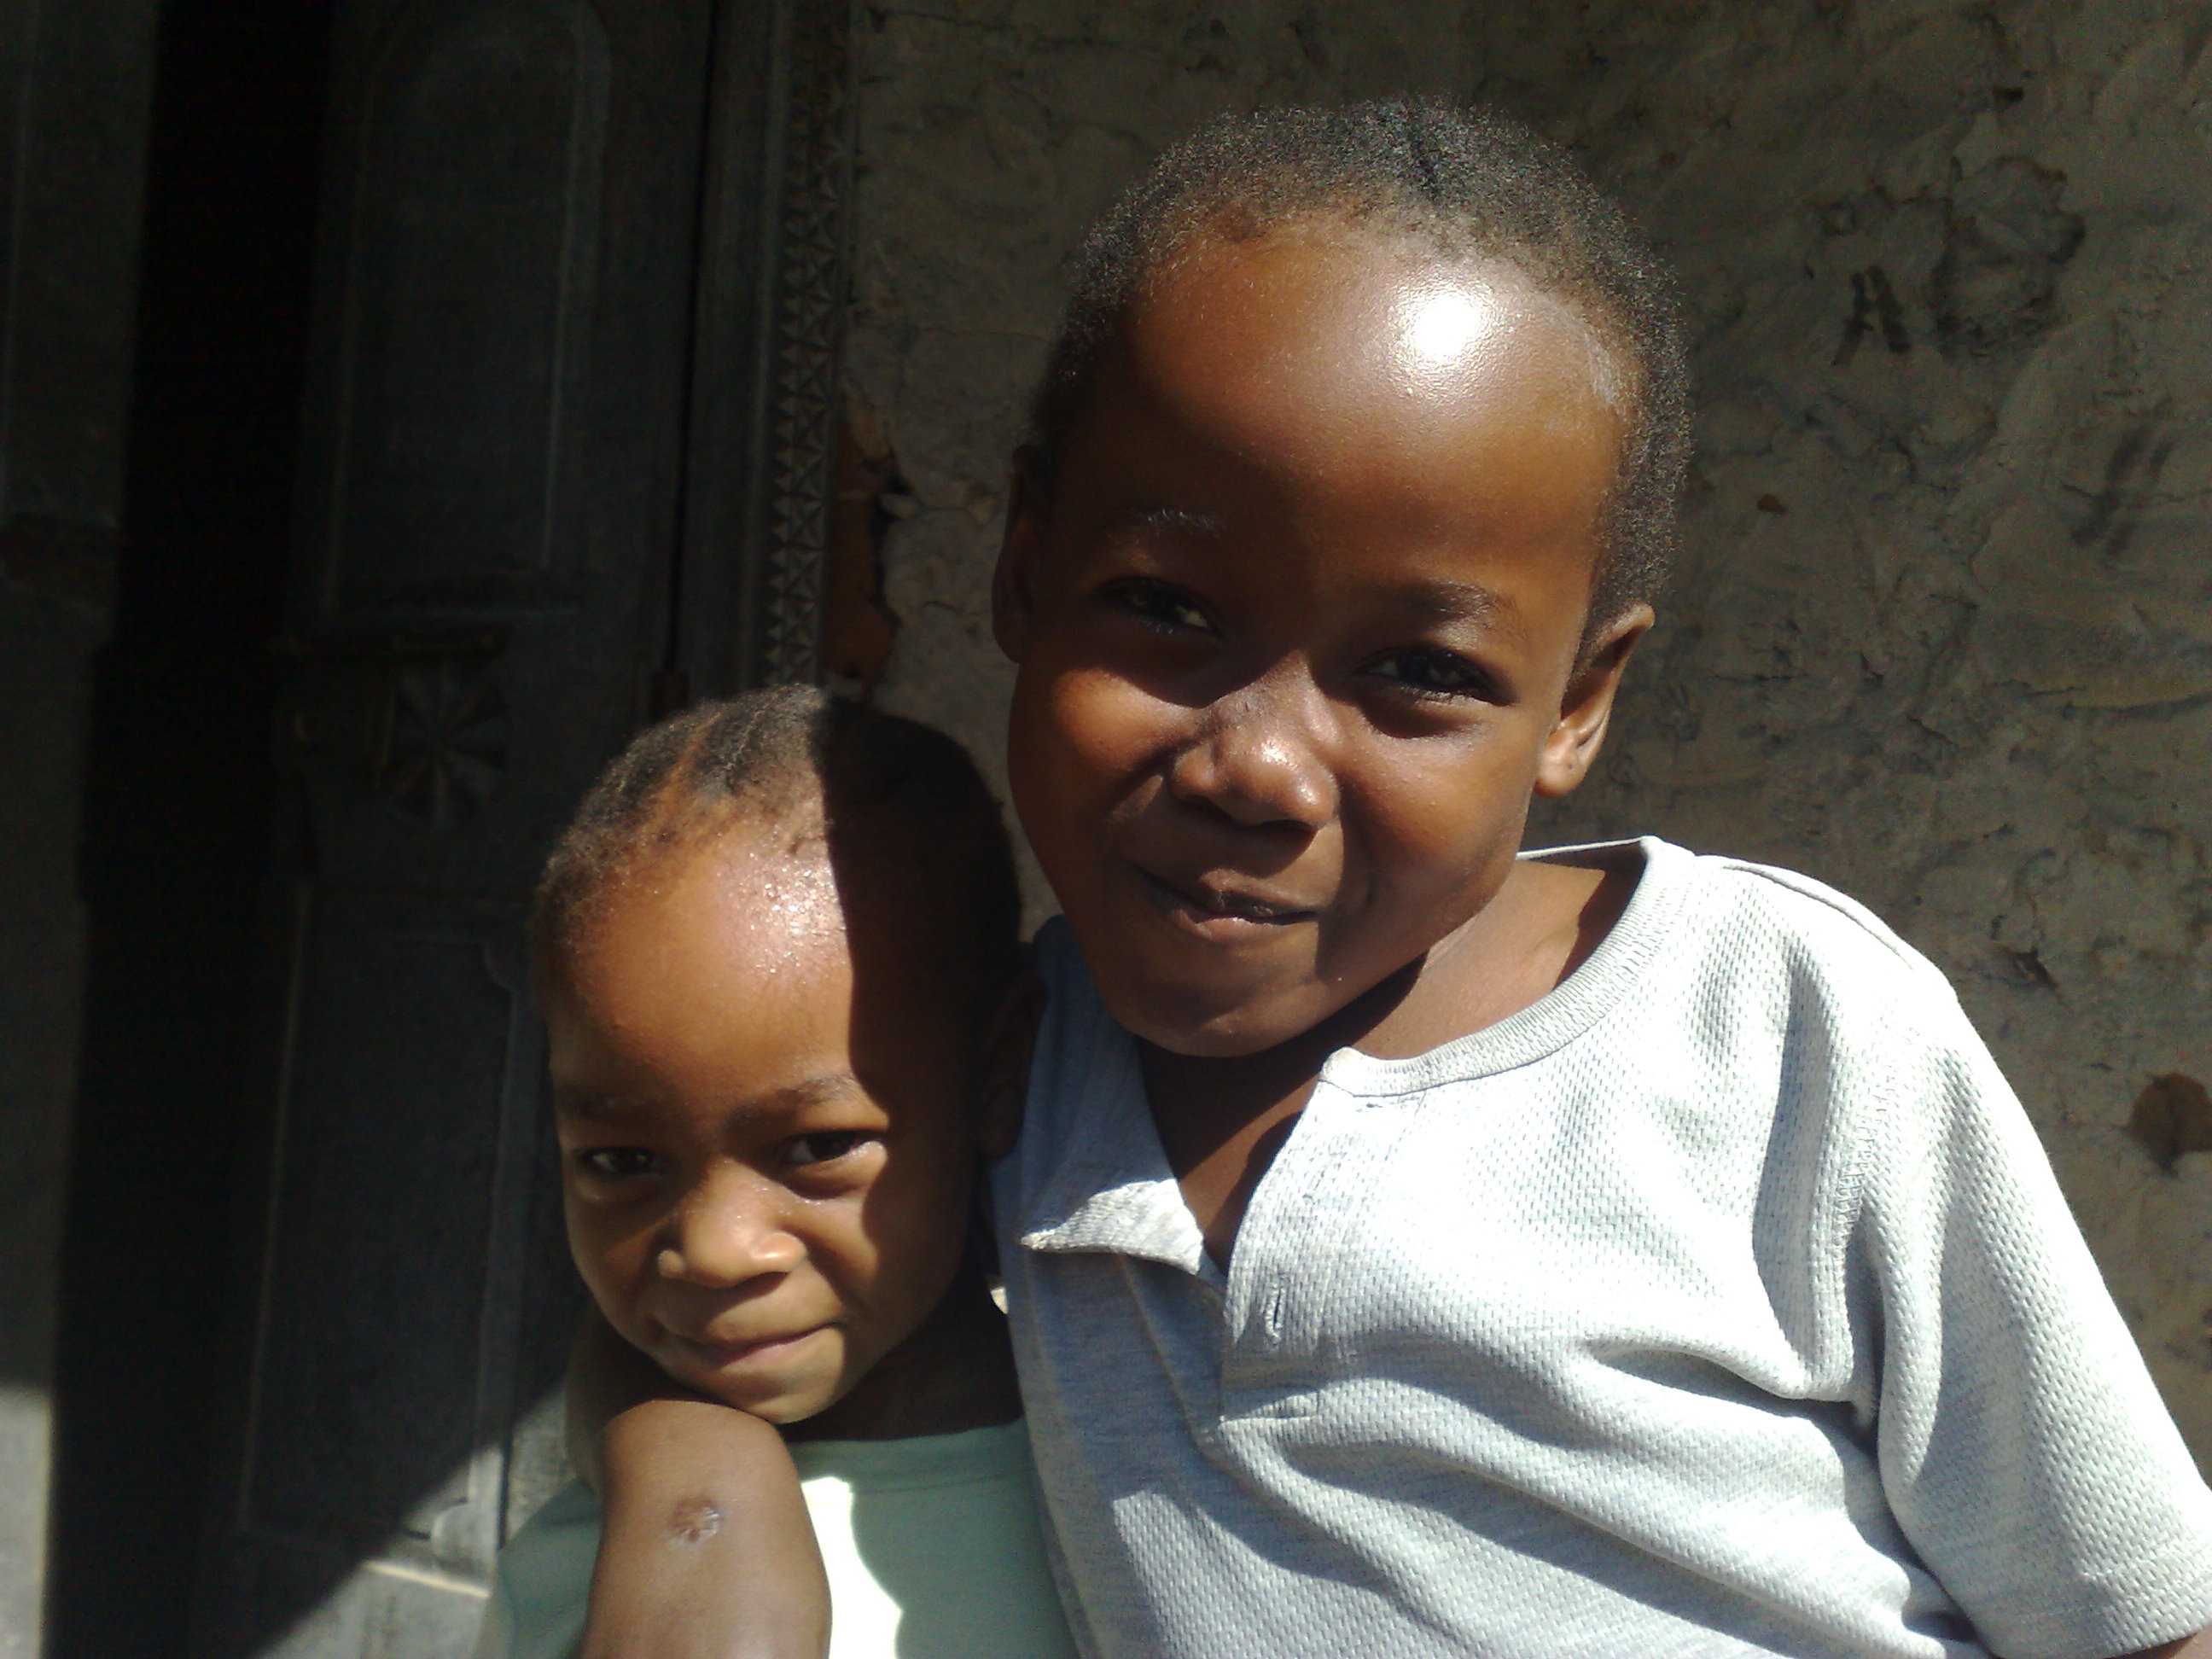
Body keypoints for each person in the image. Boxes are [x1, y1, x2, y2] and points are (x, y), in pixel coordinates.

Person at [585, 100, 2212, 1658]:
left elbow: (2137, 1607)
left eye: (1418, 670)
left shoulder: (1779, 1030)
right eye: (1165, 606)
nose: (1256, 766)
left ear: (1576, 702)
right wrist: (691, 1474)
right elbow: (718, 1261)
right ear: (1023, 562)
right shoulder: (1016, 1062)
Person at [476, 687, 1077, 1659]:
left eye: (817, 1148)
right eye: (623, 1162)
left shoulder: (1135, 1509)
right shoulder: (585, 1568)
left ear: (998, 1074)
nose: (715, 1252)